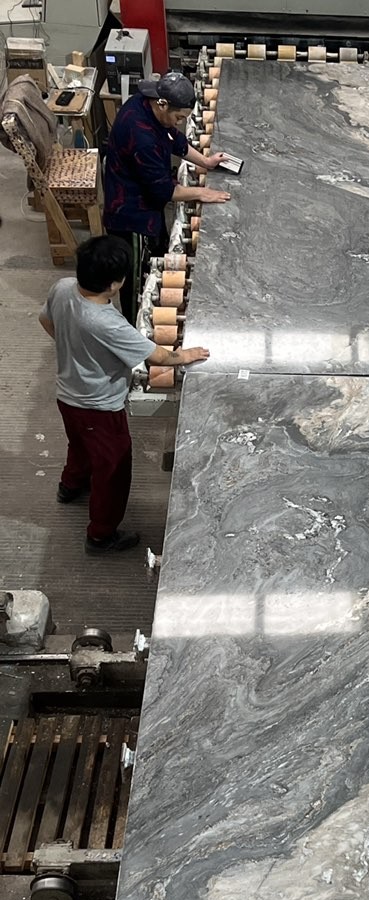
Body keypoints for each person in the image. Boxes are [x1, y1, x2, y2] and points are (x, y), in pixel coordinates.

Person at [39, 235, 210, 554]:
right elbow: (157, 356)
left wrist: (74, 350)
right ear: (115, 284)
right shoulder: (106, 322)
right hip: (99, 406)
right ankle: (101, 535)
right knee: (113, 469)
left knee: (80, 444)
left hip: (68, 395)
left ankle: (70, 486)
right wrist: (185, 355)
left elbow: (45, 320)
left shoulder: (62, 288)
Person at [104, 71, 231, 323]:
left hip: (147, 202)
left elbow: (173, 138)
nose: (179, 122)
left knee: (156, 257)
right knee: (136, 280)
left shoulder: (150, 105)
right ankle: (135, 328)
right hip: (130, 215)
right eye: (178, 117)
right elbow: (166, 191)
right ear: (162, 104)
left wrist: (205, 161)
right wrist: (202, 192)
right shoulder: (142, 137)